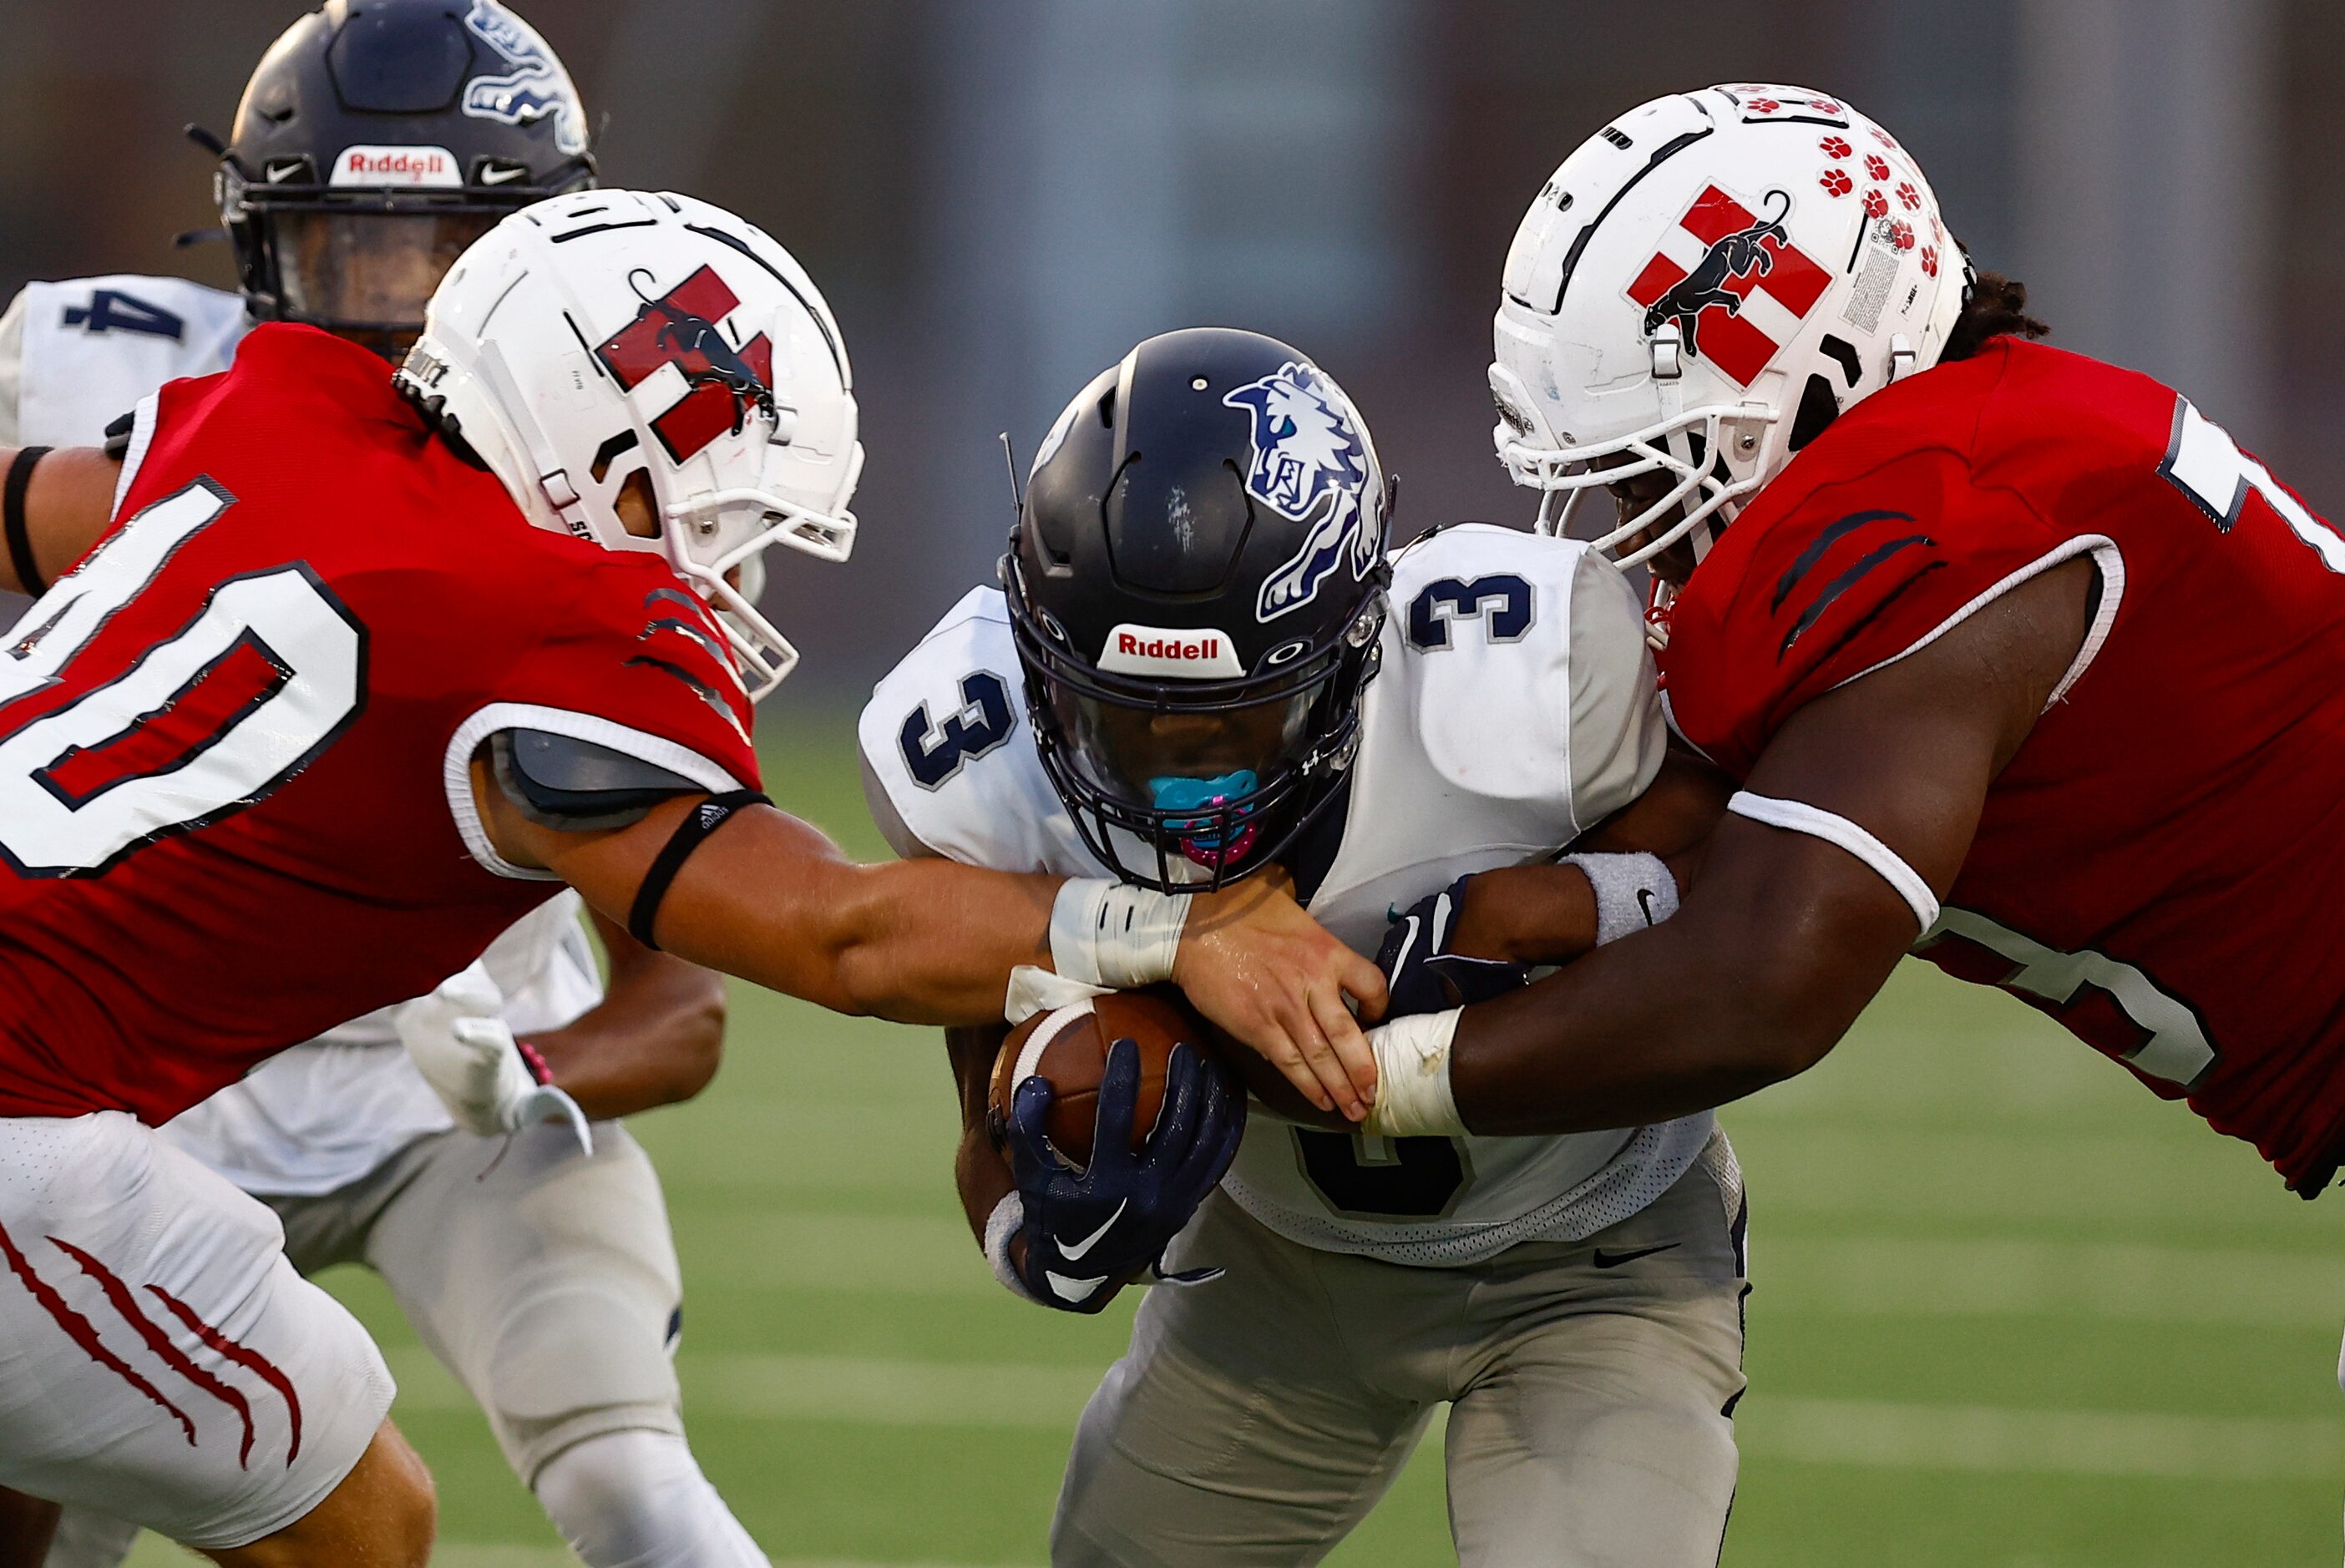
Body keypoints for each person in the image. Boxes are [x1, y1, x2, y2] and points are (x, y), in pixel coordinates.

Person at [0, 191, 1380, 1560]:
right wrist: (1172, 929)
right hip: (22, 1118)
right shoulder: (546, 628)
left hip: (56, 1086)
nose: (724, 565)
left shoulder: (272, 406)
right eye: (715, 513)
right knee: (361, 1515)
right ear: (598, 466)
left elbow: (28, 507)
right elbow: (836, 934)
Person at [1338, 78, 2345, 1436]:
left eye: (1646, 471)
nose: (1630, 528)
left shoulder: (1934, 520)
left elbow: (1765, 980)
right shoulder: (1968, 454)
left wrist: (1373, 1076)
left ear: (1798, 382)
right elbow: (1674, 848)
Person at [2, 5, 765, 1561]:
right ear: (265, 242)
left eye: (447, 252)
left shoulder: (607, 481)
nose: (404, 310)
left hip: (453, 1100)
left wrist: (513, 1077)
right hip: (137, 1086)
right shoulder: (116, 381)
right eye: (354, 251)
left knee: (637, 1496)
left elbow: (679, 998)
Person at [857, 326, 1751, 1567]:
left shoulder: (1533, 671)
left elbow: (1744, 851)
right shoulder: (974, 754)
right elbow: (990, 1101)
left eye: (1229, 720)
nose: (1176, 780)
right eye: (1121, 720)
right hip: (1279, 1271)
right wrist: (1038, 1225)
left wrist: (1562, 905)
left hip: (1593, 1245)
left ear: (1349, 654)